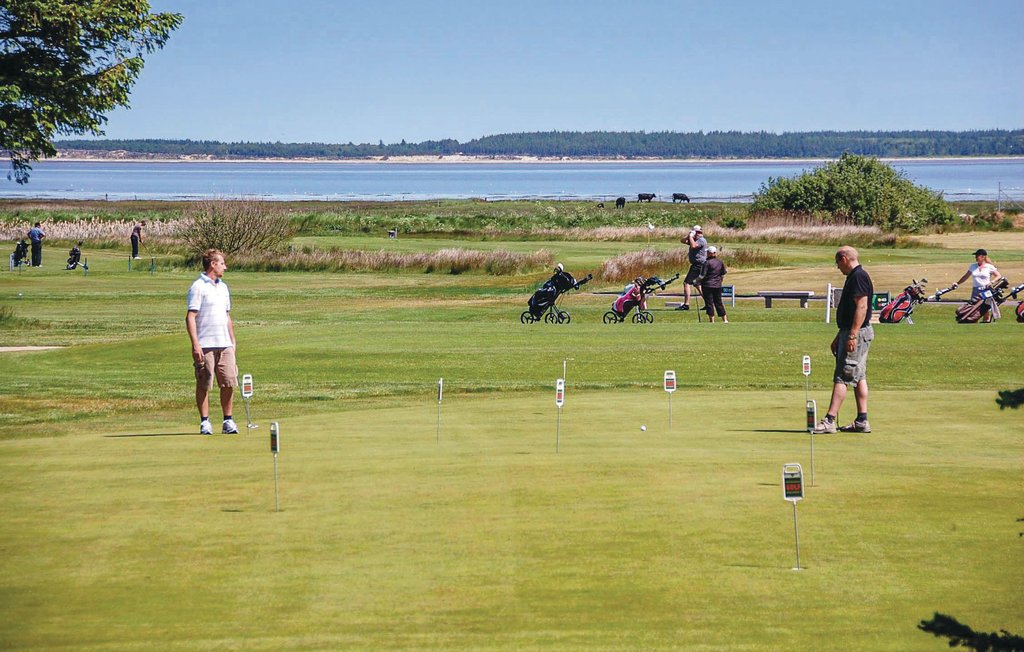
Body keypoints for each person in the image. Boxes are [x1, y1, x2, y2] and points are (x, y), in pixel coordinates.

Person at [813, 246, 874, 434]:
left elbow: (861, 307)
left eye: (838, 263)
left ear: (844, 259)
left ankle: (829, 420)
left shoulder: (858, 277)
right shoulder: (855, 276)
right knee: (859, 376)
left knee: (843, 375)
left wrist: (852, 335)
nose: (838, 268)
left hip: (857, 332)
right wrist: (840, 335)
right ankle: (862, 420)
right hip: (851, 331)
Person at [185, 249, 238, 435]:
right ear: (213, 264)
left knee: (229, 382)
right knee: (204, 384)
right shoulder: (198, 286)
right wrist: (195, 344)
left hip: (225, 344)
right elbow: (191, 317)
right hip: (205, 344)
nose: (225, 266)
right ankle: (205, 421)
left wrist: (232, 340)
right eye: (222, 263)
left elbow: (227, 315)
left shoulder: (223, 287)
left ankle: (228, 420)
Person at [952, 248, 1003, 322]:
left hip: (986, 290)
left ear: (983, 257)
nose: (976, 257)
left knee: (985, 309)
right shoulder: (973, 266)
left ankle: (986, 322)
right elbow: (966, 276)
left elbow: (998, 276)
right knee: (973, 308)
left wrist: (992, 282)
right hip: (976, 290)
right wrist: (957, 283)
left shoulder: (989, 267)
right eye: (975, 256)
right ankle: (973, 321)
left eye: (977, 256)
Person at [677, 225, 707, 310]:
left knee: (686, 283)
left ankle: (686, 304)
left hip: (698, 264)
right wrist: (688, 236)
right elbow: (682, 241)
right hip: (697, 264)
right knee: (697, 284)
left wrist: (691, 237)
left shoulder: (701, 240)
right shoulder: (695, 239)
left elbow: (693, 246)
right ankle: (708, 303)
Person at [698, 246, 728, 323]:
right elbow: (723, 273)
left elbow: (702, 275)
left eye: (707, 252)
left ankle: (712, 321)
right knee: (718, 302)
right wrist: (719, 281)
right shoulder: (720, 262)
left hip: (707, 285)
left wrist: (695, 281)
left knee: (709, 303)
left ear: (709, 253)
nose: (706, 254)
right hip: (717, 285)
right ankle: (725, 320)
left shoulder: (706, 263)